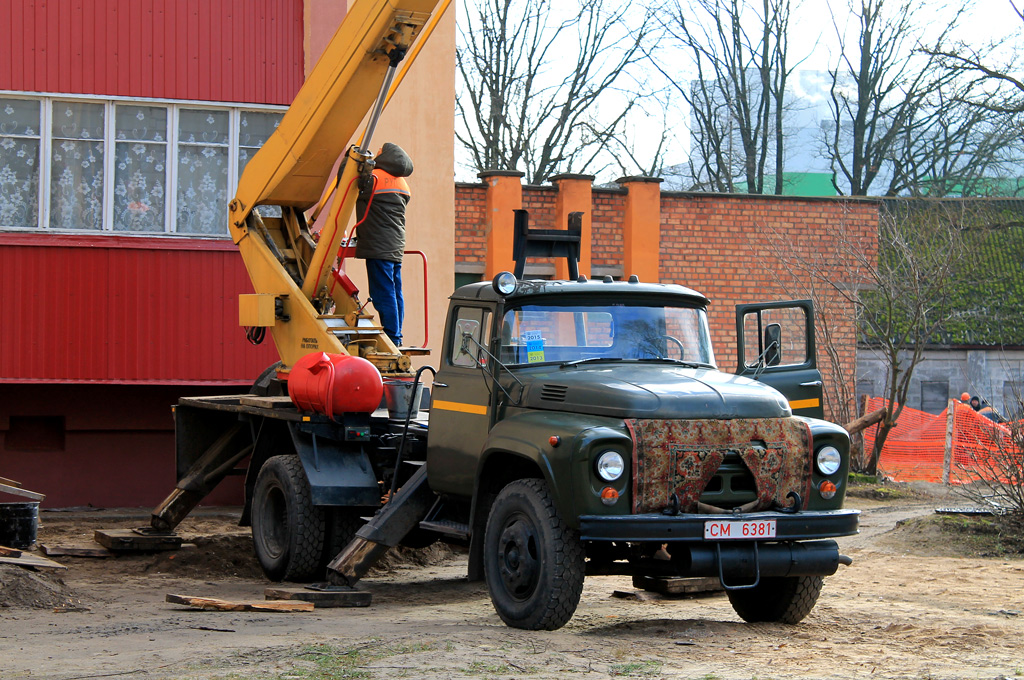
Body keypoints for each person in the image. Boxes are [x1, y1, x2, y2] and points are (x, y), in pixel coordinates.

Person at [355, 142, 413, 347]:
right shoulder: (402, 184)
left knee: (383, 292)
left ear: (385, 156)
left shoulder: (375, 178)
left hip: (378, 245)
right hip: (395, 245)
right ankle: (396, 335)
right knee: (395, 290)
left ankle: (391, 336)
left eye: (379, 152)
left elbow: (348, 180)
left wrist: (352, 158)